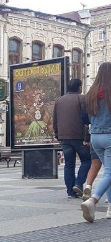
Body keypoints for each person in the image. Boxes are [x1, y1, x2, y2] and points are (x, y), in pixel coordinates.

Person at [81, 62, 111, 222]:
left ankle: (110, 209)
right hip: (109, 135)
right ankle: (93, 200)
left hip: (95, 137)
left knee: (109, 173)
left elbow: (84, 118)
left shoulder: (91, 93)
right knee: (110, 173)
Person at [53, 78, 91, 199]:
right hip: (79, 136)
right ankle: (79, 184)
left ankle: (70, 191)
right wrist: (87, 137)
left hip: (64, 137)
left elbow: (55, 119)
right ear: (79, 87)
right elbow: (86, 119)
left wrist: (57, 134)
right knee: (87, 160)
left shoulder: (59, 101)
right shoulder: (82, 98)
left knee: (69, 164)